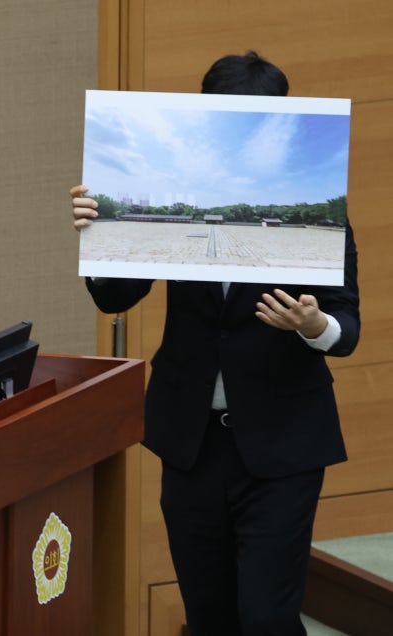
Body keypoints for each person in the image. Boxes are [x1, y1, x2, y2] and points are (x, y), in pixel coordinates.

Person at [70, 51, 360, 635]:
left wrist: (312, 326)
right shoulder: (172, 203)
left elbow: (346, 329)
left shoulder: (320, 220)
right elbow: (115, 296)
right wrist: (99, 235)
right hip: (192, 442)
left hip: (283, 446)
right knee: (209, 615)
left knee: (267, 617)